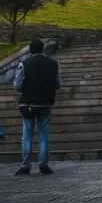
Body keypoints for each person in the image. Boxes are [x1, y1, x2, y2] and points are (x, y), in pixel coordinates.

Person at [13, 38, 61, 176]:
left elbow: (17, 85)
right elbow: (58, 84)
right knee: (43, 135)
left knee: (27, 135)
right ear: (42, 49)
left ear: (30, 50)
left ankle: (25, 166)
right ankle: (44, 165)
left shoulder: (24, 64)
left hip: (27, 103)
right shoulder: (53, 64)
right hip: (45, 103)